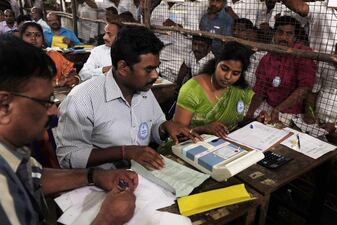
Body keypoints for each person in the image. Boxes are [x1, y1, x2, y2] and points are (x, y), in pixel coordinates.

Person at [0, 35, 137, 225]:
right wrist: (107, 219)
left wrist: (94, 176)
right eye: (45, 101)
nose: (53, 110)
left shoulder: (11, 148)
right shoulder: (3, 197)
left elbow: (33, 175)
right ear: (4, 106)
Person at [56, 26, 199, 170]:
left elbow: (153, 125)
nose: (155, 75)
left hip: (142, 174)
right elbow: (69, 157)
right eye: (148, 69)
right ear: (123, 68)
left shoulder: (143, 89)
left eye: (156, 68)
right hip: (99, 183)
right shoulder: (81, 100)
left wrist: (164, 127)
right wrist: (124, 152)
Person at [173, 41, 257, 137]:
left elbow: (240, 120)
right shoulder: (192, 89)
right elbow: (177, 133)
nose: (228, 77)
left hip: (227, 144)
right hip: (191, 145)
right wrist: (203, 129)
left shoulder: (239, 90)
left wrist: (257, 120)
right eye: (224, 69)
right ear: (216, 63)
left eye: (235, 73)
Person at [247, 16, 316, 126]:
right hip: (268, 106)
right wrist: (248, 115)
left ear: (295, 37)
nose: (283, 37)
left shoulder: (303, 54)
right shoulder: (267, 58)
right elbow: (260, 89)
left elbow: (304, 89)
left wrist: (278, 110)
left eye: (289, 34)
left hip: (291, 113)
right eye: (280, 32)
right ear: (274, 34)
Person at [20, 22, 79, 88]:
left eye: (37, 35)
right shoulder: (17, 59)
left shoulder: (53, 55)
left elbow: (70, 71)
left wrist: (74, 78)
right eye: (28, 35)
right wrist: (57, 83)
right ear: (20, 39)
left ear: (43, 39)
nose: (33, 38)